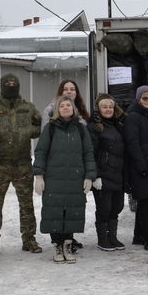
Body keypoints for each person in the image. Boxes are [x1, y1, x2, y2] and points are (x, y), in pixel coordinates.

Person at [0, 73, 43, 256]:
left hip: (23, 164)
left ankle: (29, 239)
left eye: (14, 83)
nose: (11, 85)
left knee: (27, 206)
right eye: (7, 83)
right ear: (2, 85)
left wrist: (26, 131)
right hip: (0, 166)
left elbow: (38, 128)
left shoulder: (28, 107)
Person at [33, 96, 96, 264]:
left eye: (69, 105)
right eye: (62, 106)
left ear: (73, 109)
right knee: (54, 212)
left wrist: (90, 176)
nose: (66, 108)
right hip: (54, 179)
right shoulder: (50, 128)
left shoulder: (81, 129)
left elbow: (88, 153)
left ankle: (67, 244)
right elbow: (41, 152)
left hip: (75, 178)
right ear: (57, 110)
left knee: (72, 212)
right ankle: (57, 246)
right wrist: (39, 175)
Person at [42, 79, 90, 253]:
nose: (69, 91)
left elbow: (87, 148)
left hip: (75, 169)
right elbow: (44, 146)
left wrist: (89, 173)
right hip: (57, 169)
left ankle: (69, 239)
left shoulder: (82, 115)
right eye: (66, 89)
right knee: (57, 206)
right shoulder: (51, 114)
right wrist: (41, 174)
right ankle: (59, 242)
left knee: (72, 205)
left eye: (72, 89)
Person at [123, 85, 148, 253]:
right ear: (138, 100)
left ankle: (138, 235)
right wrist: (141, 166)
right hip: (140, 167)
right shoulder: (133, 117)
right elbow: (132, 144)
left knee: (145, 202)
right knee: (145, 202)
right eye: (144, 98)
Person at [89, 93, 127, 252]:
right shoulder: (94, 127)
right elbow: (90, 152)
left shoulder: (118, 124)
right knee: (104, 208)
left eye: (110, 106)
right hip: (103, 175)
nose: (108, 109)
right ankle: (102, 239)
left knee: (116, 207)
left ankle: (112, 236)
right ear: (98, 108)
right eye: (104, 106)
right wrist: (95, 175)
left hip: (118, 173)